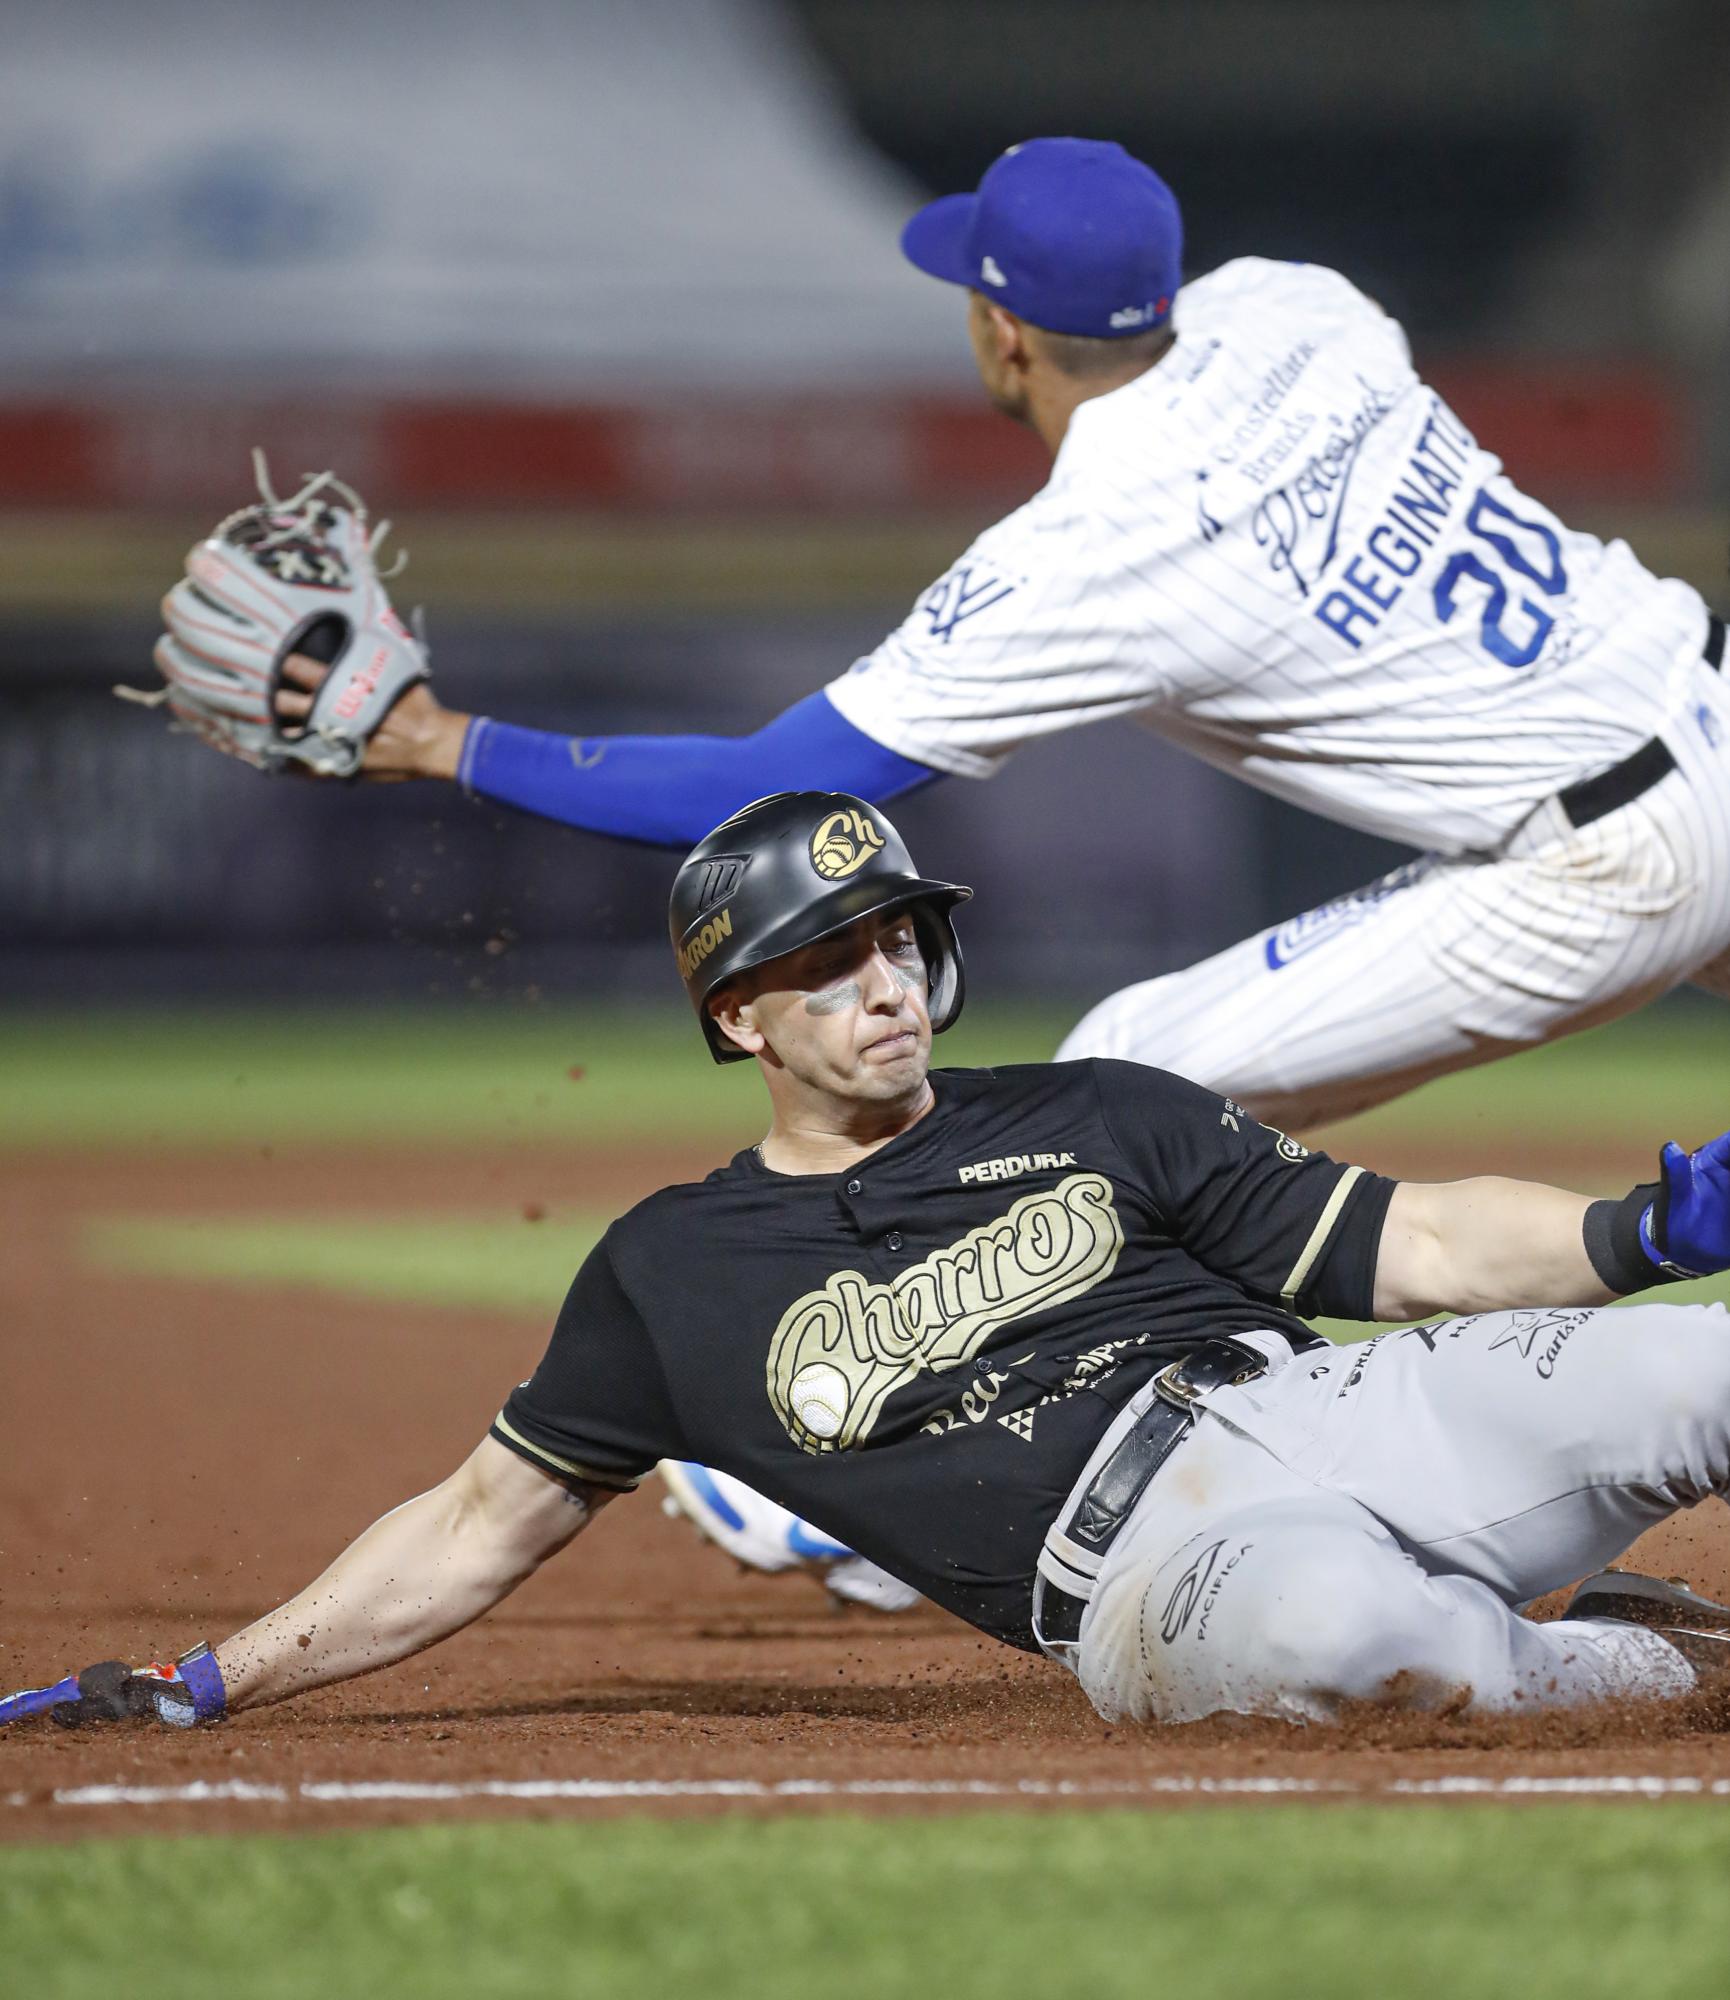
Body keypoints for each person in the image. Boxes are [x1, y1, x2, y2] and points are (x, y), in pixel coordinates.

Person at [151, 138, 1730, 1610]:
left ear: (999, 331)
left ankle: (1007, 1482)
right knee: (1153, 1096)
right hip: (1698, 706)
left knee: (1132, 1080)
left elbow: (753, 788)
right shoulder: (1296, 305)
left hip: (1603, 858)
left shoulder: (1095, 545)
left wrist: (432, 740)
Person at [8, 791, 1730, 1734]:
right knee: (1375, 1652)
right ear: (736, 1017)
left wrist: (1635, 1235)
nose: (888, 984)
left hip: (1346, 1407)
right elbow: (473, 1527)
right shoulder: (669, 1275)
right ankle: (1648, 1659)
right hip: (1141, 1577)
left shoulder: (1100, 1105)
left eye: (899, 939)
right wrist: (212, 1676)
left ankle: (1546, 1597)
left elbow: (1408, 1241)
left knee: (1708, 1363)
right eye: (827, 963)